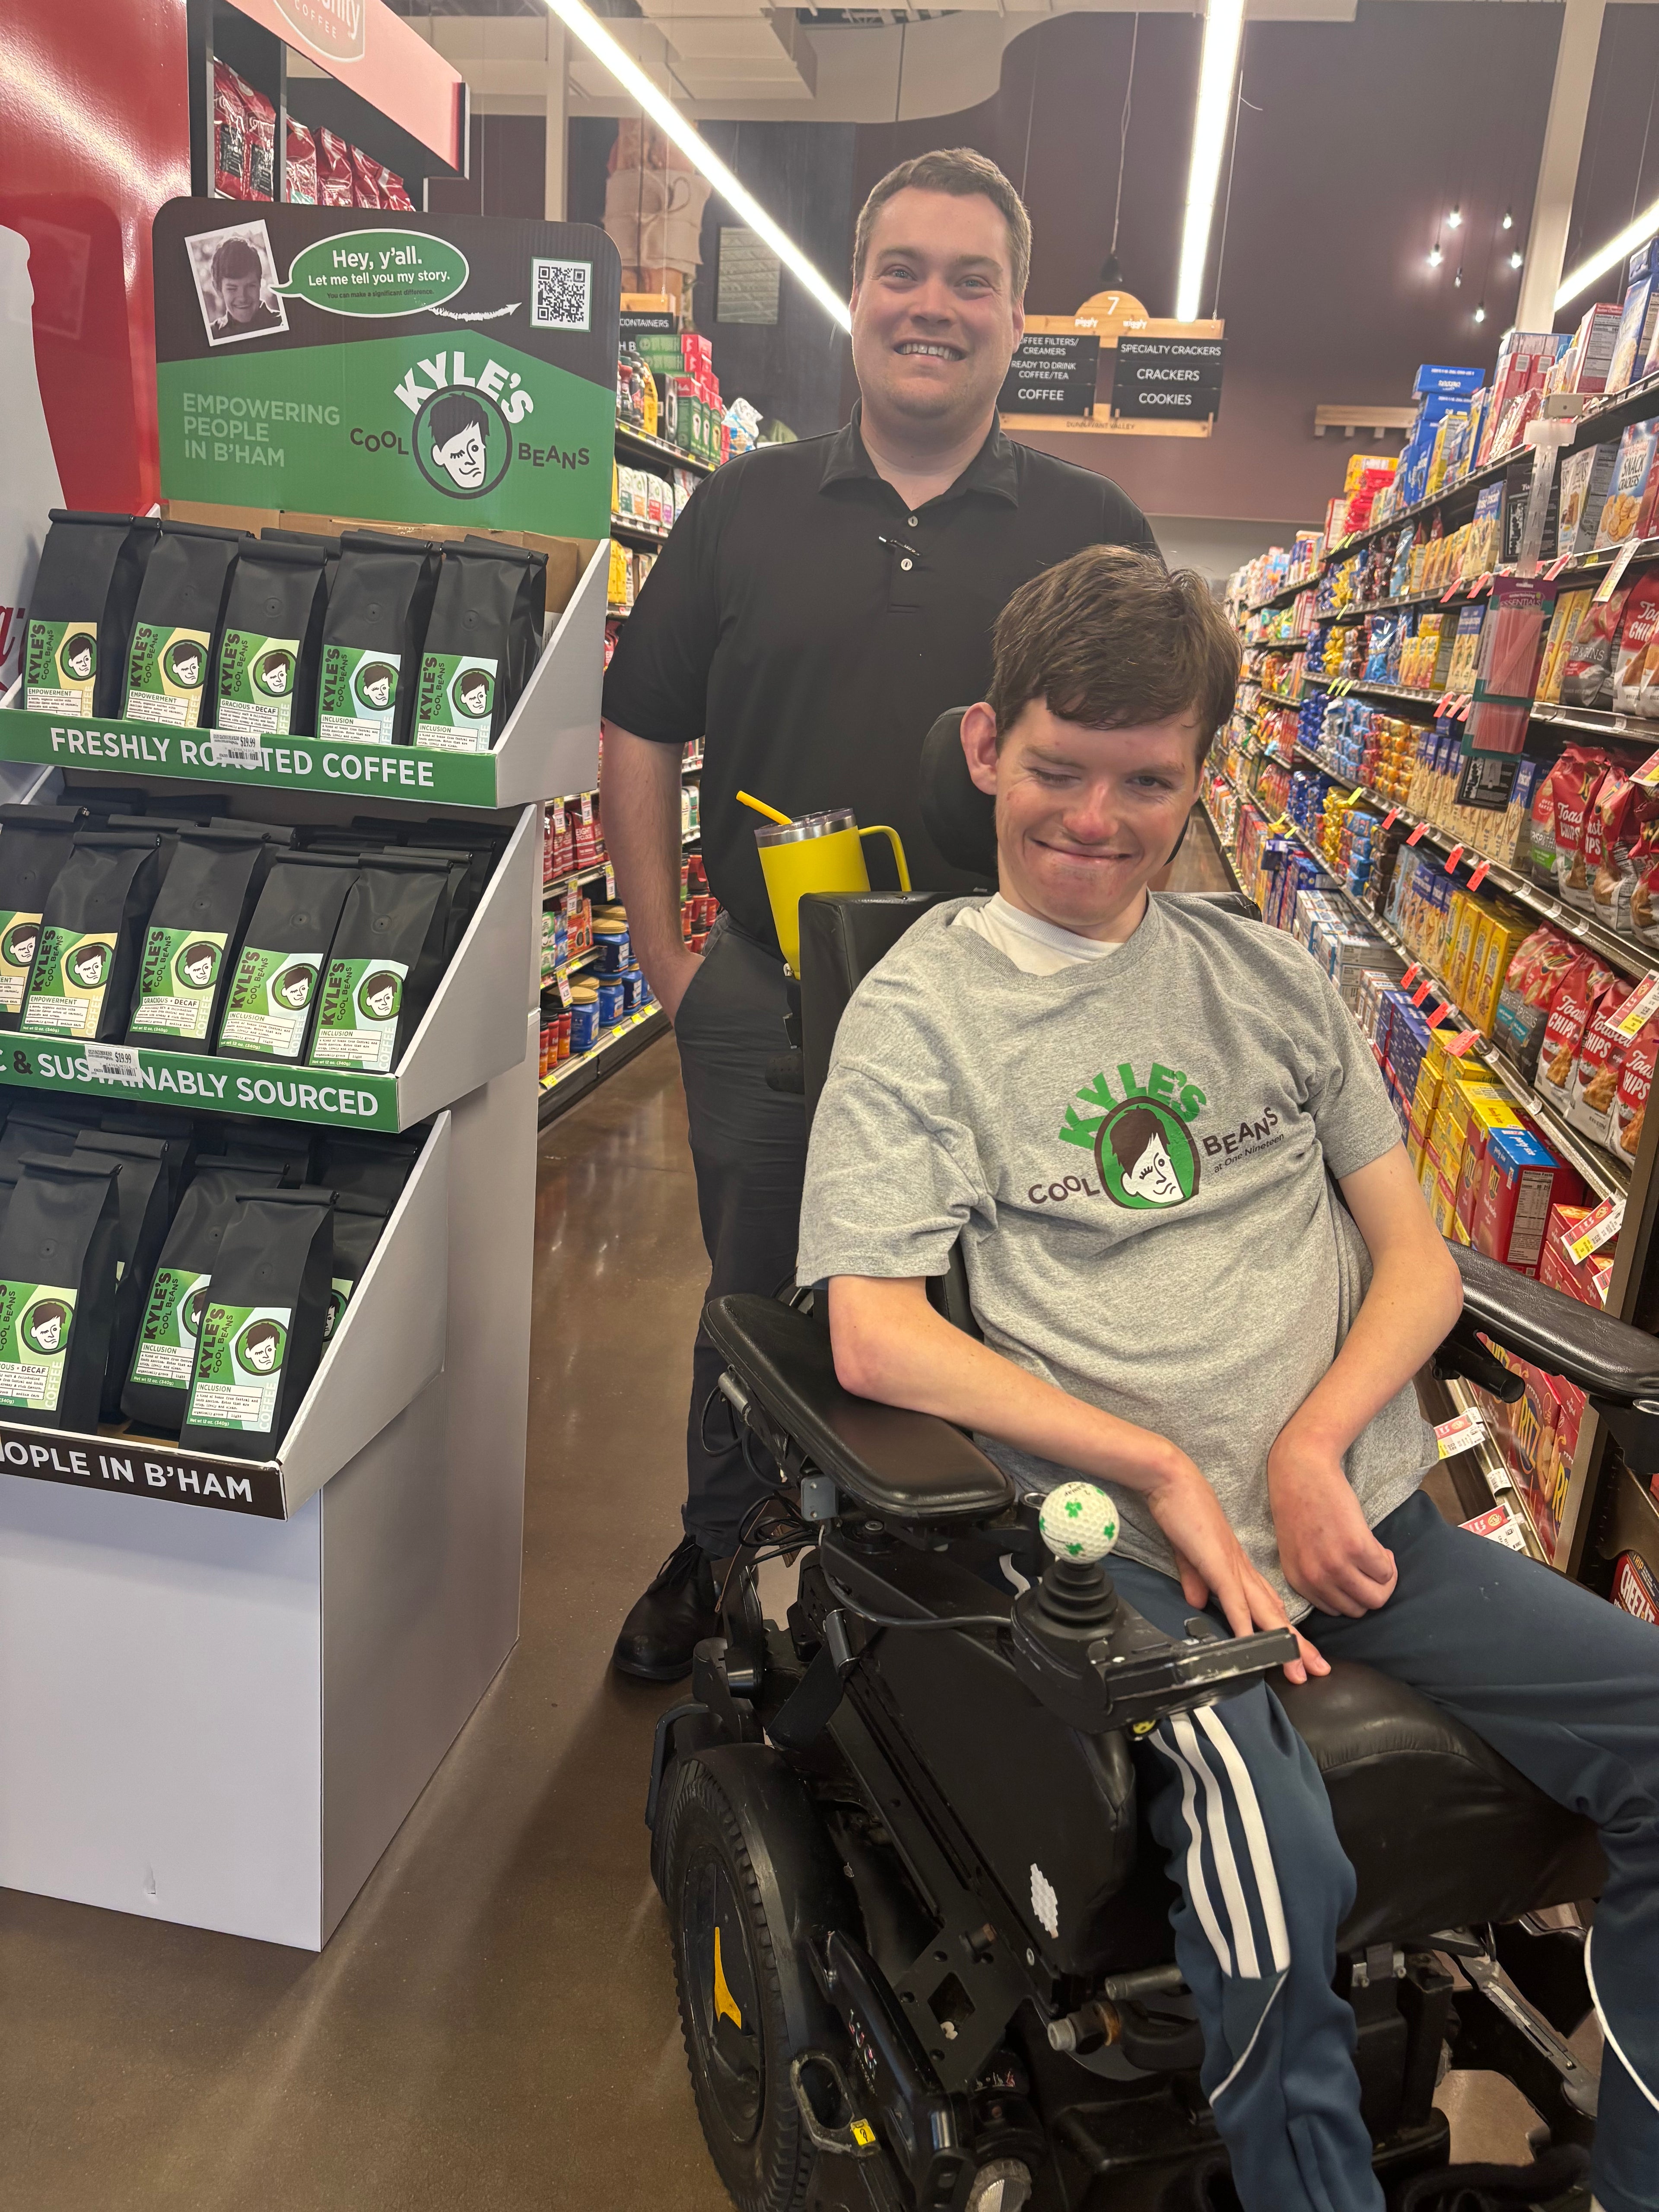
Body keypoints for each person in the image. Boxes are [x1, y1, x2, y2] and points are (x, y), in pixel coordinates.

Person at [798, 543, 1659, 2212]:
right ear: (986, 745)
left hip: (1362, 1521)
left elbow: (1415, 1255)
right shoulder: (922, 1016)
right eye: (1058, 769)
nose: (1097, 820)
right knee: (1281, 1866)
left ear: (1200, 775)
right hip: (1123, 1556)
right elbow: (874, 1328)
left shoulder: (1269, 973)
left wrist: (1321, 1439)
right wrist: (1172, 1473)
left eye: (1146, 780)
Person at [601, 146, 1158, 1680]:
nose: (932, 305)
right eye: (901, 271)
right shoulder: (741, 504)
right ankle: (725, 1568)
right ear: (856, 298)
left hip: (1010, 1022)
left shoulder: (1095, 528)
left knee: (993, 1308)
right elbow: (640, 723)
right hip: (769, 1001)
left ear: (1017, 310)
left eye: (970, 278)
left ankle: (939, 1609)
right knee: (757, 1302)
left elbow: (1148, 769)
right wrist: (665, 959)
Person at [208, 237, 281, 340]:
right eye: (232, 289)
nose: (243, 297)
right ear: (218, 289)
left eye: (251, 286)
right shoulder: (211, 335)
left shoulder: (282, 324)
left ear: (260, 284)